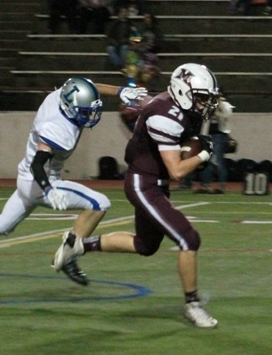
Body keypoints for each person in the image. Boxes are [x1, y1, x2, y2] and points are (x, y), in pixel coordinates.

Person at [0, 77, 147, 292]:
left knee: (2, 224)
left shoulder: (63, 95)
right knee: (99, 203)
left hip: (26, 180)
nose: (90, 115)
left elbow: (92, 87)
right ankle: (69, 255)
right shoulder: (57, 128)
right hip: (41, 181)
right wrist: (48, 189)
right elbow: (38, 164)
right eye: (85, 111)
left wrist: (120, 90)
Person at [53, 63, 220, 329]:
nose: (204, 104)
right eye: (201, 98)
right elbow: (177, 170)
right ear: (183, 91)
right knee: (188, 238)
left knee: (146, 245)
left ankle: (78, 245)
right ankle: (193, 305)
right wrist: (202, 154)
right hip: (145, 185)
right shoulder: (163, 117)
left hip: (154, 183)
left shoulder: (173, 103)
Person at [193, 95, 235, 194]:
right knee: (205, 160)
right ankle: (205, 185)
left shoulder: (225, 105)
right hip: (207, 134)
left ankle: (221, 185)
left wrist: (218, 107)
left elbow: (226, 116)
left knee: (219, 161)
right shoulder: (208, 105)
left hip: (219, 135)